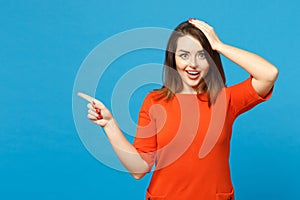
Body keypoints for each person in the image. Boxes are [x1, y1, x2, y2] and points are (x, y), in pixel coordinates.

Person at [78, 18, 278, 200]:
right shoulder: (154, 101)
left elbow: (268, 73)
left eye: (201, 55)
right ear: (173, 59)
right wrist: (109, 124)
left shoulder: (225, 99)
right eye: (184, 55)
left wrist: (219, 45)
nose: (193, 64)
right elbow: (139, 169)